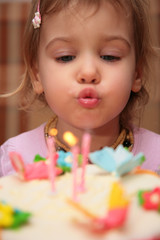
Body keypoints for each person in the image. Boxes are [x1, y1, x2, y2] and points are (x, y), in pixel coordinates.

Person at [0, 0, 160, 177]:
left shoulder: (156, 161)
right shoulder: (14, 161)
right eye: (66, 57)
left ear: (137, 73)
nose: (88, 72)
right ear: (36, 74)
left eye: (109, 56)